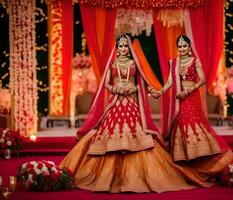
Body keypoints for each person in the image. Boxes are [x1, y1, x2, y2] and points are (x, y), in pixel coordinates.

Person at [59, 33, 210, 193]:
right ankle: (109, 178)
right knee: (108, 134)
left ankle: (140, 176)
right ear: (117, 48)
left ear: (129, 48)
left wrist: (145, 89)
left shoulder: (133, 63)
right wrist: (117, 89)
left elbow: (143, 81)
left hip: (131, 103)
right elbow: (106, 84)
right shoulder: (112, 63)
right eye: (121, 46)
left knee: (139, 134)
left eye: (125, 45)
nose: (123, 48)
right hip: (116, 103)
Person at [161, 34, 233, 178]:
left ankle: (199, 157)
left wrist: (187, 91)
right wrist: (160, 91)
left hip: (191, 96)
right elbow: (170, 81)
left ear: (189, 47)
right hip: (179, 97)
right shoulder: (174, 63)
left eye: (185, 46)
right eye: (180, 46)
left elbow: (203, 79)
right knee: (180, 122)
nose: (182, 48)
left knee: (192, 121)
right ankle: (185, 160)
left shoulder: (194, 61)